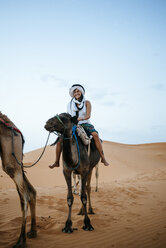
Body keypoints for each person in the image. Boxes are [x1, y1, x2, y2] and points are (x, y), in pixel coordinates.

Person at [49, 84, 109, 168]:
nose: (76, 93)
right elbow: (68, 116)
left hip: (85, 123)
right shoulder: (69, 105)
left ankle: (103, 158)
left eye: (78, 91)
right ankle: (56, 162)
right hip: (73, 124)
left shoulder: (87, 103)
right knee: (59, 141)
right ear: (73, 94)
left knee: (95, 135)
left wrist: (80, 119)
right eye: (75, 92)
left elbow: (88, 116)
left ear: (81, 92)